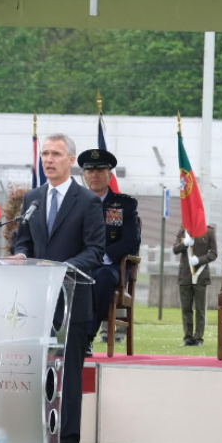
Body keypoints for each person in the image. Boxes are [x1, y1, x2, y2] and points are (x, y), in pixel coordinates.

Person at [12, 133, 106, 443]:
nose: (49, 159)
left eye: (56, 154)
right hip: (35, 302)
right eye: (45, 154)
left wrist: (64, 268)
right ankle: (36, 434)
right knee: (38, 371)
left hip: (72, 301)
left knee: (68, 374)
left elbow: (96, 250)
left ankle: (65, 442)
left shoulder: (88, 202)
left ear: (70, 160)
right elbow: (22, 240)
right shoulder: (33, 199)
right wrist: (21, 254)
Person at [78, 149, 140, 353]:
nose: (94, 175)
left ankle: (86, 337)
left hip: (111, 266)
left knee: (102, 278)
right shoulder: (74, 203)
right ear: (84, 176)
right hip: (80, 264)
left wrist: (102, 255)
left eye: (100, 170)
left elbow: (132, 241)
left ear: (109, 175)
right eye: (90, 171)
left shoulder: (124, 204)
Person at [173, 223, 218, 347]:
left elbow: (214, 253)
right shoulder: (183, 230)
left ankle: (198, 338)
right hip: (185, 275)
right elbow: (175, 249)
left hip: (200, 275)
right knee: (186, 308)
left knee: (200, 309)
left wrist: (200, 260)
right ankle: (188, 337)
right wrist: (184, 244)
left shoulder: (208, 231)